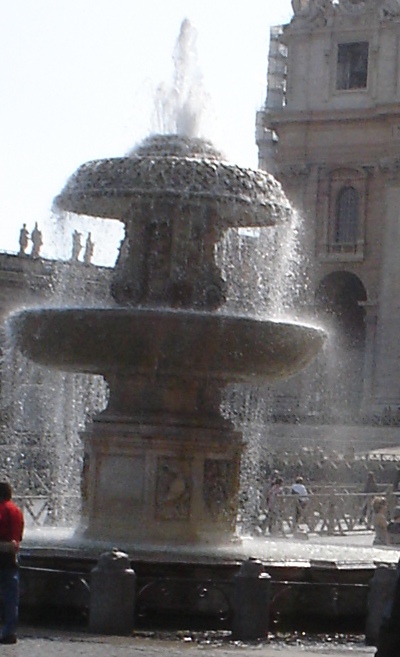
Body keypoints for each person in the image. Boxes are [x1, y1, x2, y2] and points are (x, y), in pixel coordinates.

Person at [0, 482, 24, 644]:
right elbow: (19, 535)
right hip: (12, 555)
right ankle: (10, 631)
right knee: (11, 598)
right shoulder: (17, 510)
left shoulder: (1, 509)